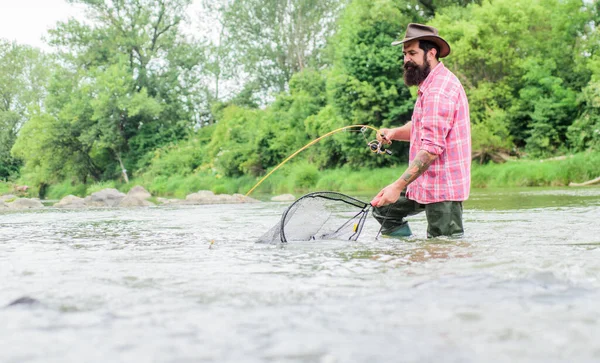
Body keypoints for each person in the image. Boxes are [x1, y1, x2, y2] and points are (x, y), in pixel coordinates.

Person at [370, 23, 471, 238]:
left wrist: (397, 186)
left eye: (413, 53)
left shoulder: (438, 91)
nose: (407, 59)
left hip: (443, 189)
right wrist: (394, 133)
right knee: (382, 208)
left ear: (431, 53)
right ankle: (407, 257)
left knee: (443, 248)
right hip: (423, 181)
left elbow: (431, 149)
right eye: (405, 53)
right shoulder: (428, 85)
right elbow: (421, 130)